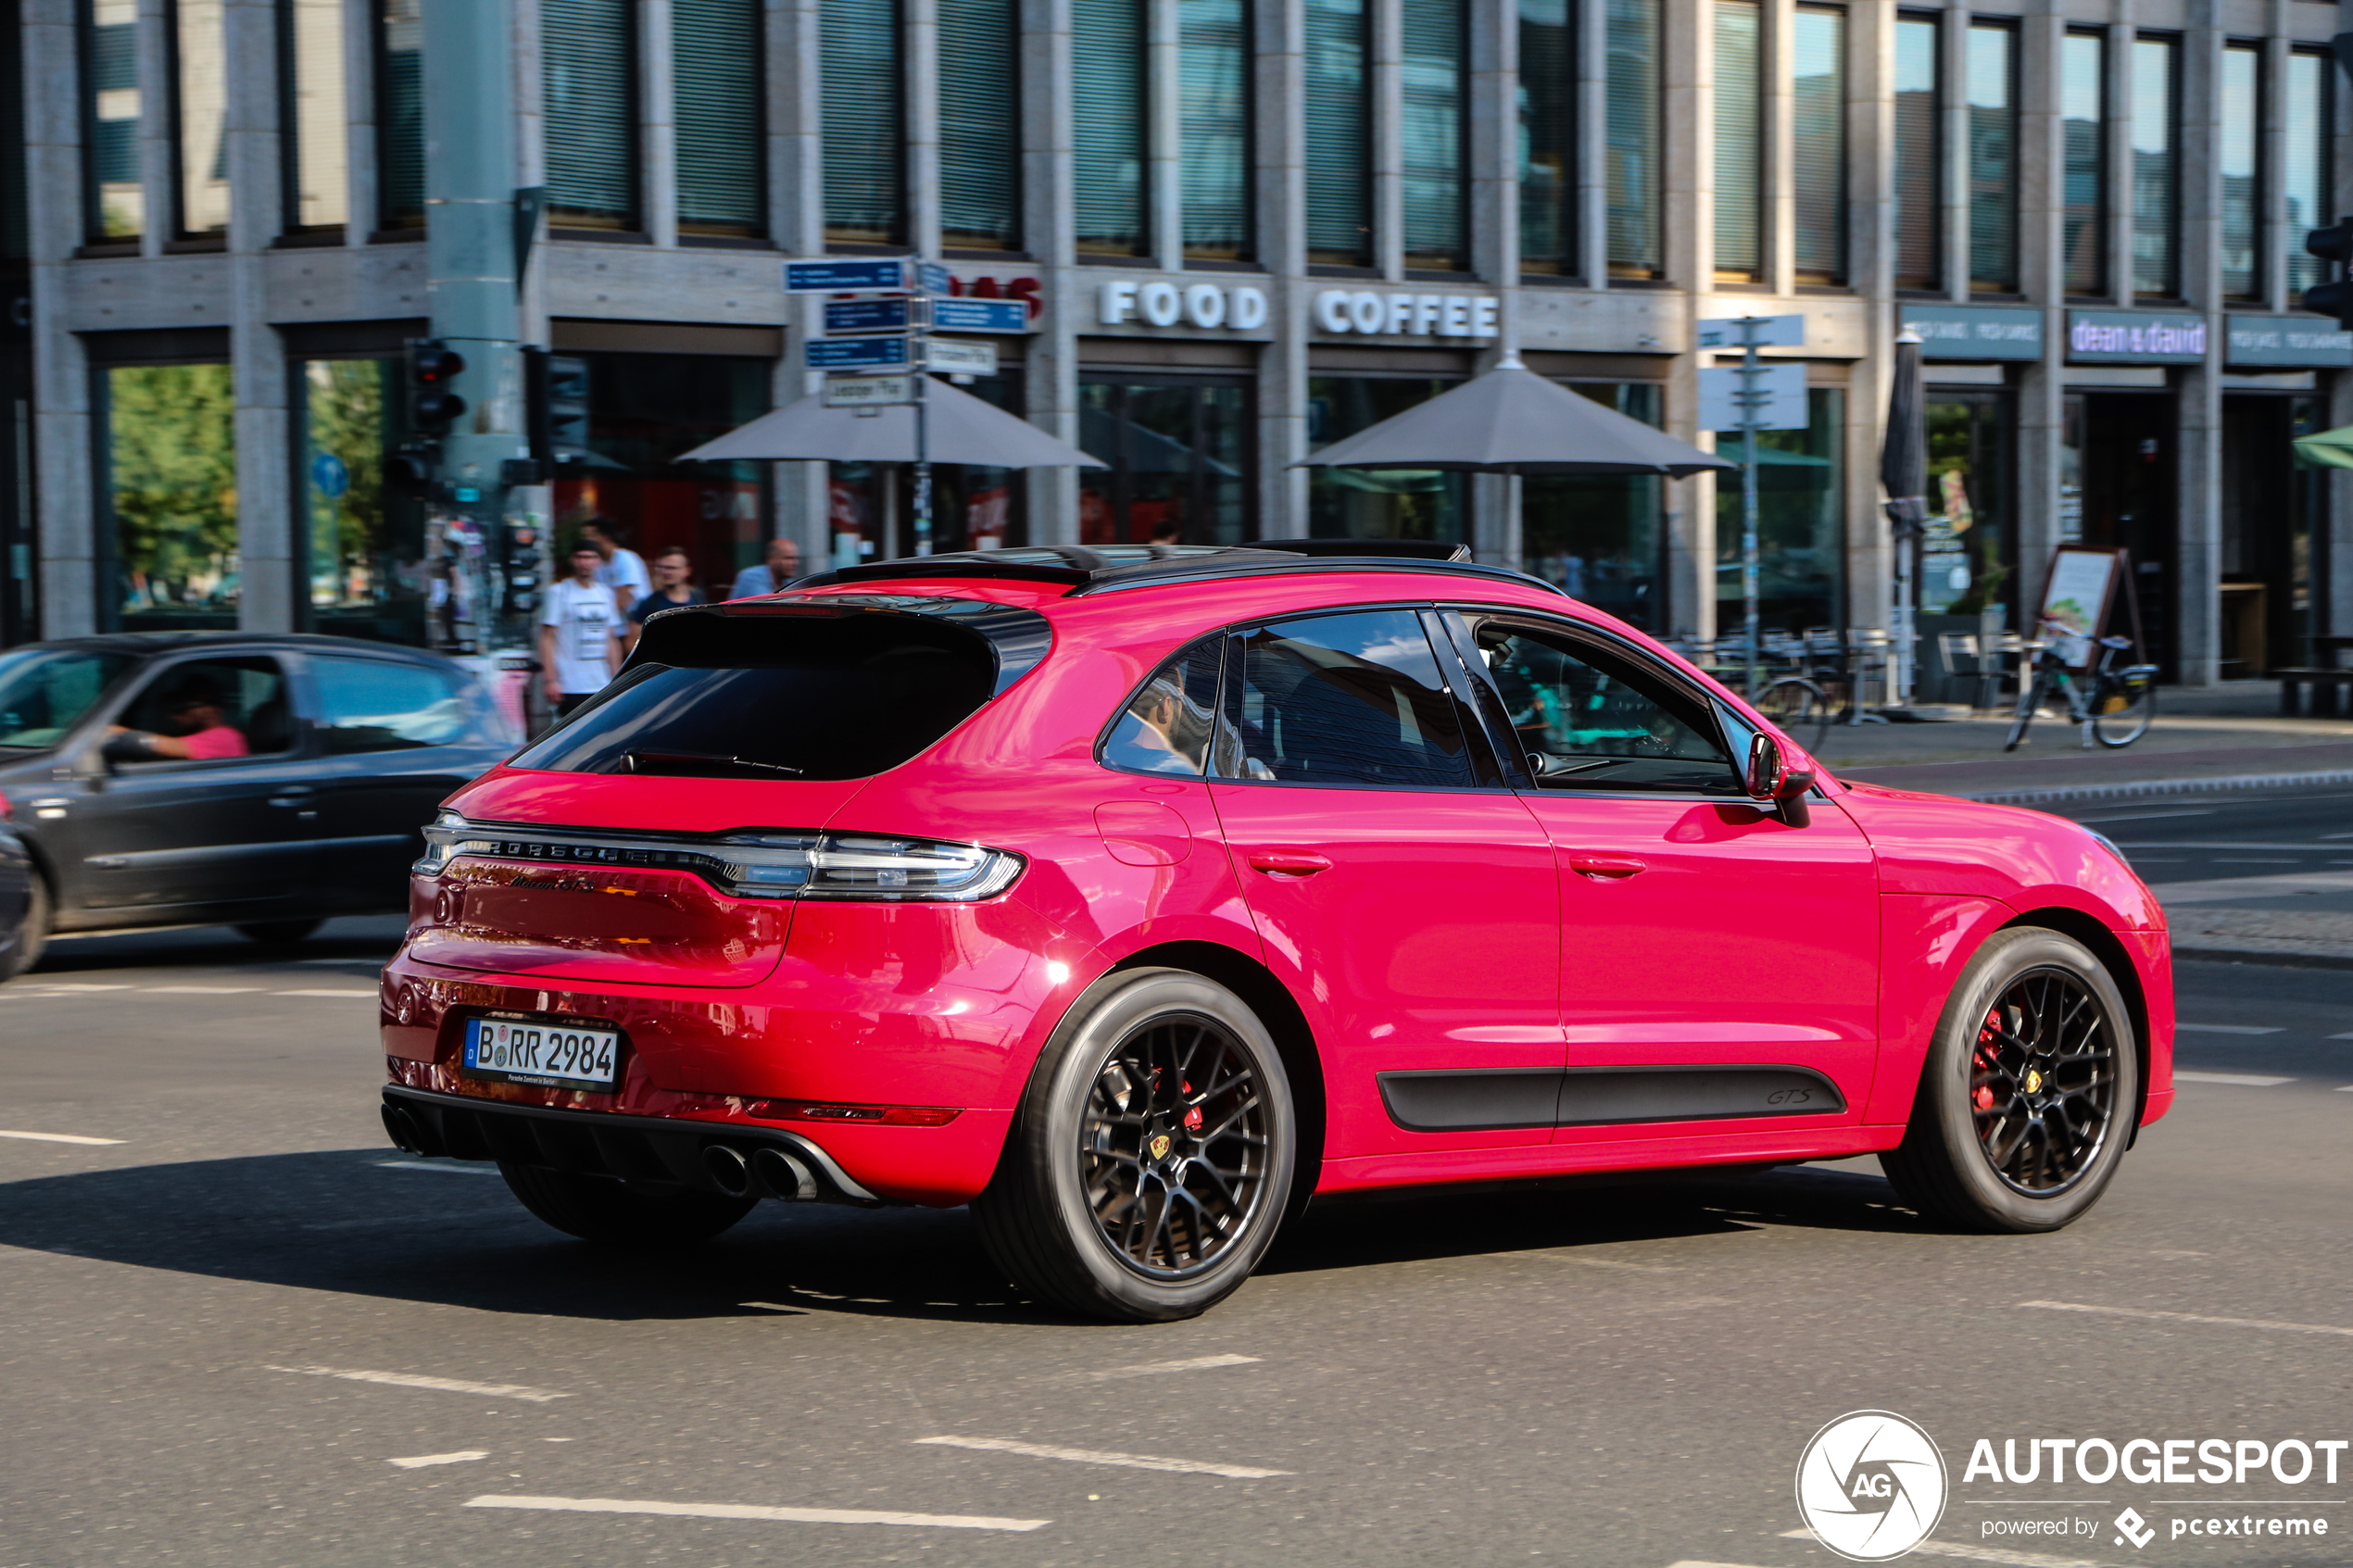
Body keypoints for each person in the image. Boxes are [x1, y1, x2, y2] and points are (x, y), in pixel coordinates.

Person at [539, 544, 626, 718]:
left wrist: (617, 679)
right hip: (571, 683)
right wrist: (551, 679)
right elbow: (547, 637)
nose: (584, 562)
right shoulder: (559, 592)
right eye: (580, 557)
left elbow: (611, 638)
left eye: (590, 557)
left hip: (601, 682)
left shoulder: (605, 593)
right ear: (572, 560)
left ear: (598, 561)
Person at [104, 683, 249, 761]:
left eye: (181, 709)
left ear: (209, 709)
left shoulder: (225, 737)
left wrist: (112, 731)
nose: (174, 717)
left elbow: (161, 745)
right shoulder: (196, 735)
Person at [626, 547, 706, 652]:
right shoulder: (649, 603)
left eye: (672, 568)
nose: (666, 572)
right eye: (662, 568)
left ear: (687, 571)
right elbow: (631, 643)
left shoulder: (698, 600)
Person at [581, 517, 650, 616]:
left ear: (605, 537)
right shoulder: (599, 564)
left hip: (636, 620)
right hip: (616, 621)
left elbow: (623, 600)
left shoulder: (625, 559)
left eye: (590, 536)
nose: (586, 541)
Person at [729, 537, 803, 600]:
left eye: (796, 559)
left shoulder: (788, 583)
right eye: (788, 558)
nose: (794, 563)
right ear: (771, 559)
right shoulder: (751, 577)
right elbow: (768, 605)